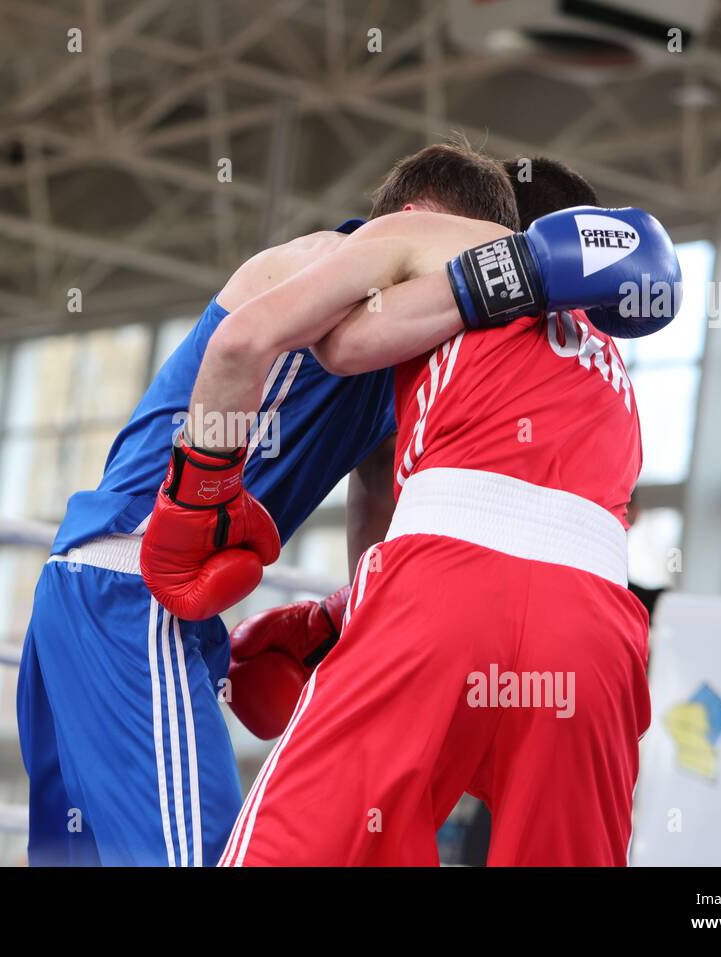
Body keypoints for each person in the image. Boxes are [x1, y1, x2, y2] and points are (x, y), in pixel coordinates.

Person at [142, 176, 680, 865]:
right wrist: (345, 615)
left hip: (444, 590)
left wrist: (200, 492)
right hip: (597, 632)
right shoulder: (606, 362)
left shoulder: (422, 234)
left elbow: (269, 344)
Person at [16, 142, 525, 866]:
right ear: (416, 222)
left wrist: (361, 626)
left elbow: (375, 496)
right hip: (134, 588)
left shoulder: (401, 364)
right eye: (458, 248)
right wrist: (207, 487)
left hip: (108, 594)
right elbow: (239, 346)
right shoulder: (318, 262)